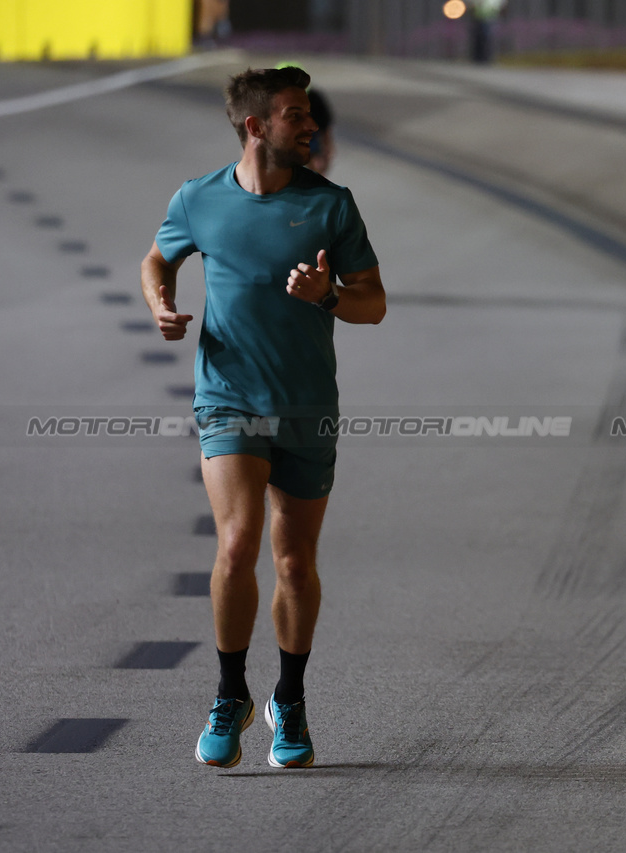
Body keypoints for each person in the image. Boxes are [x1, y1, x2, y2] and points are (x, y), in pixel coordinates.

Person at [139, 65, 386, 769]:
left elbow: (374, 301)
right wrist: (161, 303)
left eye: (308, 115)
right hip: (228, 397)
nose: (311, 126)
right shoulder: (199, 199)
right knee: (240, 541)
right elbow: (158, 258)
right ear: (256, 126)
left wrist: (328, 295)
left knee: (294, 561)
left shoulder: (331, 206)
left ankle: (291, 698)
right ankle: (228, 693)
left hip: (306, 403)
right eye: (295, 116)